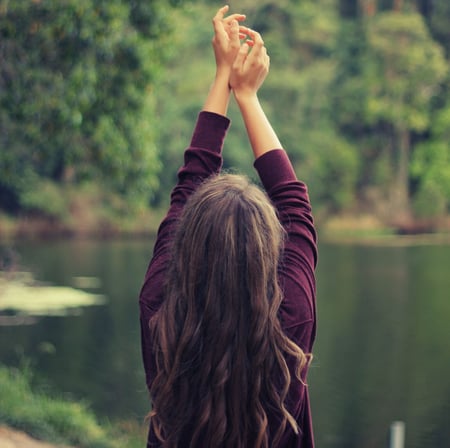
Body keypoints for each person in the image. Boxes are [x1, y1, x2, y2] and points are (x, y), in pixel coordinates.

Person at [139, 6, 318, 447]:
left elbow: (188, 188)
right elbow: (295, 205)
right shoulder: (291, 320)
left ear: (187, 245)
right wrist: (246, 94)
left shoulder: (160, 312)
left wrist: (224, 77)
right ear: (268, 249)